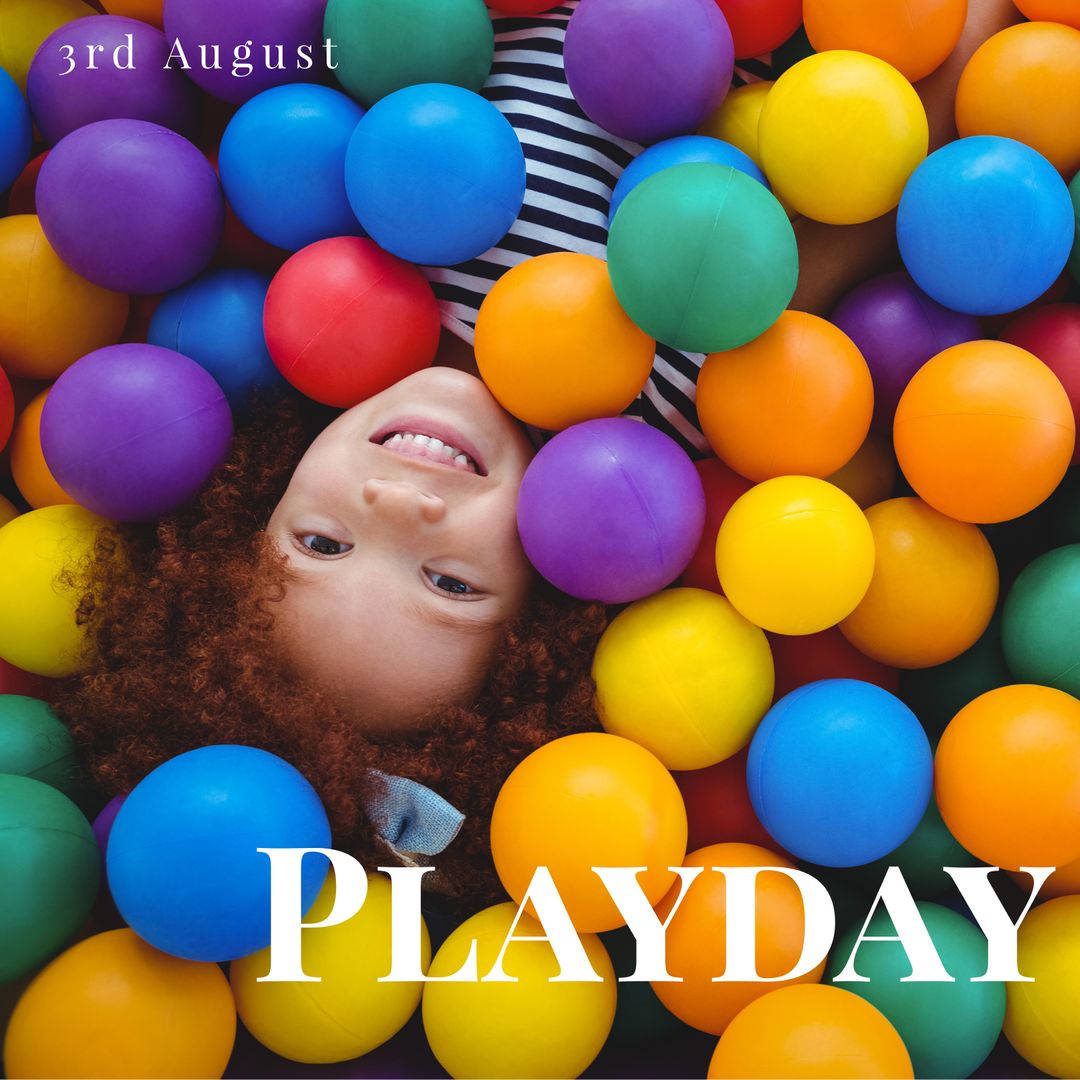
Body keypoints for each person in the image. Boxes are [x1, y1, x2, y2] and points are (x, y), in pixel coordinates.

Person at [57, 0, 1019, 907]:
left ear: (258, 499)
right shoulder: (671, 403)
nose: (402, 509)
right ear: (552, 600)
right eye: (449, 585)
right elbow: (862, 191)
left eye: (322, 544)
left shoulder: (332, 291)